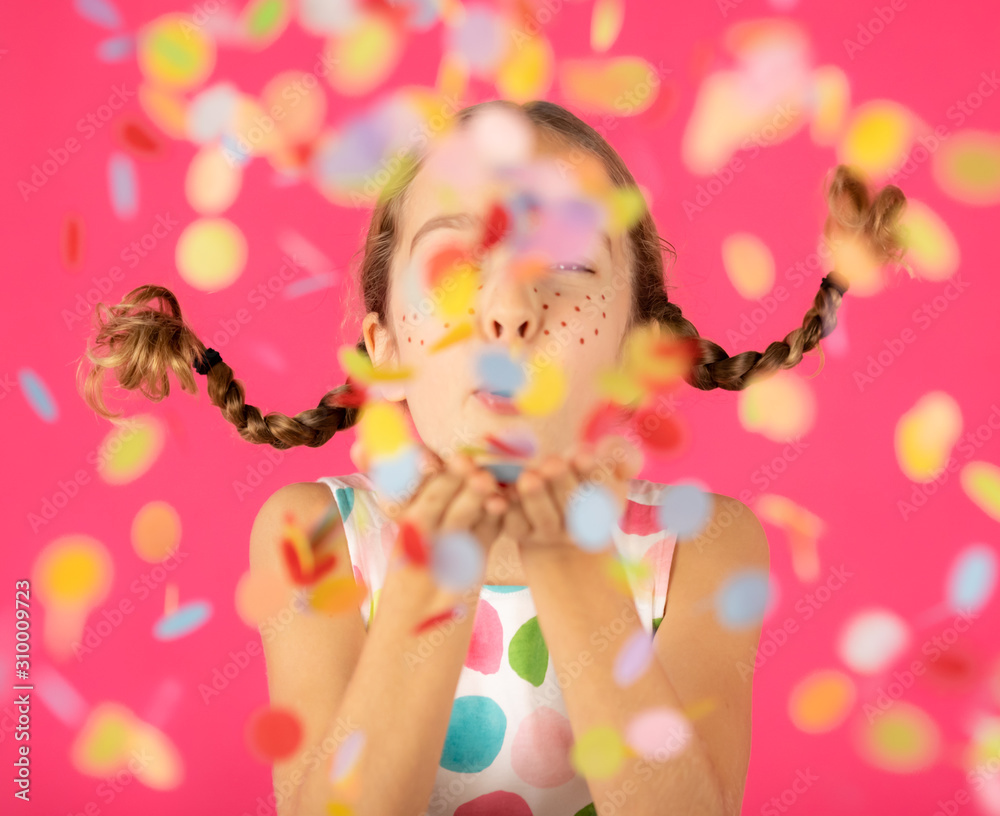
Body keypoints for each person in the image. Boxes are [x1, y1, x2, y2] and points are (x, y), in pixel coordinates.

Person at [77, 99, 908, 816]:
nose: (511, 307)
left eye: (572, 265)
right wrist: (432, 577)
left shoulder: (705, 547)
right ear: (385, 348)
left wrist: (570, 565)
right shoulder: (317, 537)